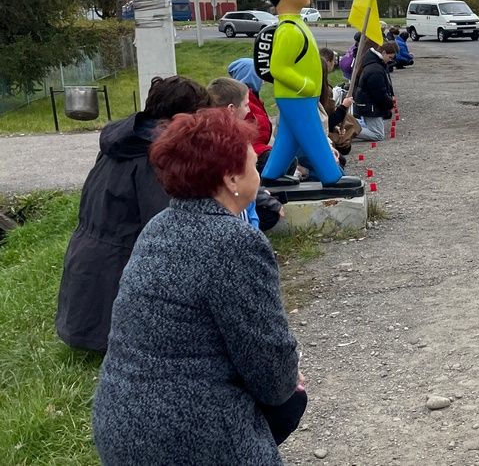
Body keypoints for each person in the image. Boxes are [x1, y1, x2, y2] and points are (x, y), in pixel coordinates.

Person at [92, 109, 306, 464]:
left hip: (120, 423)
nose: (259, 173)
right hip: (187, 436)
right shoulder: (234, 242)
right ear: (232, 178)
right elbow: (272, 370)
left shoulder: (159, 225)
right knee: (292, 395)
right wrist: (290, 379)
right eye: (254, 164)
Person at [55, 75, 210, 353]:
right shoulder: (151, 157)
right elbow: (165, 229)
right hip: (110, 299)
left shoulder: (124, 141)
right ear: (179, 119)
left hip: (84, 284)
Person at [259, 0, 344, 186]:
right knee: (313, 135)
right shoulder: (287, 30)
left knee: (288, 139)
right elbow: (278, 67)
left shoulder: (295, 25)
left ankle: (270, 175)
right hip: (298, 96)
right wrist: (305, 85)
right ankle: (332, 177)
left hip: (300, 97)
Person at [208, 77, 284, 231]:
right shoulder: (231, 141)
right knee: (267, 212)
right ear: (231, 109)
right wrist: (267, 200)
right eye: (246, 105)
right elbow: (243, 184)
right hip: (229, 205)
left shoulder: (206, 134)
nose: (249, 110)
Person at [228, 57, 273, 167]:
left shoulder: (252, 98)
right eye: (259, 75)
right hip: (253, 151)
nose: (263, 81)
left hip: (256, 149)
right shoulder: (244, 101)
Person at [354, 41, 397, 142]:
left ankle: (352, 125)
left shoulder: (375, 65)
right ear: (383, 53)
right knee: (378, 135)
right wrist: (390, 103)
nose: (390, 61)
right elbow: (379, 93)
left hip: (368, 104)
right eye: (390, 57)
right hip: (369, 106)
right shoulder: (375, 69)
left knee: (375, 130)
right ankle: (350, 129)